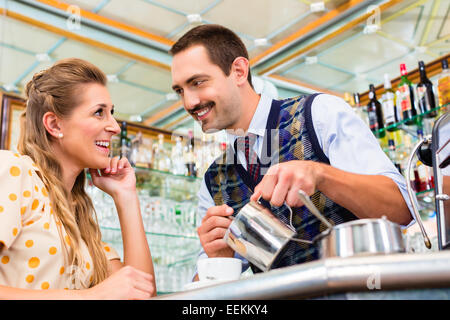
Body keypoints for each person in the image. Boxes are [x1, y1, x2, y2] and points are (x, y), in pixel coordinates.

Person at [169, 24, 414, 279]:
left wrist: (321, 174)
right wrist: (216, 259)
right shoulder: (213, 182)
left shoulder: (319, 114)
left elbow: (402, 210)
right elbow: (206, 291)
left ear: (239, 71)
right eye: (180, 91)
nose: (189, 102)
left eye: (197, 82)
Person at [0, 58, 155, 299]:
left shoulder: (79, 216)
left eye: (111, 113)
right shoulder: (14, 171)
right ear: (54, 124)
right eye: (99, 113)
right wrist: (90, 297)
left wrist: (126, 196)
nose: (114, 126)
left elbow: (141, 292)